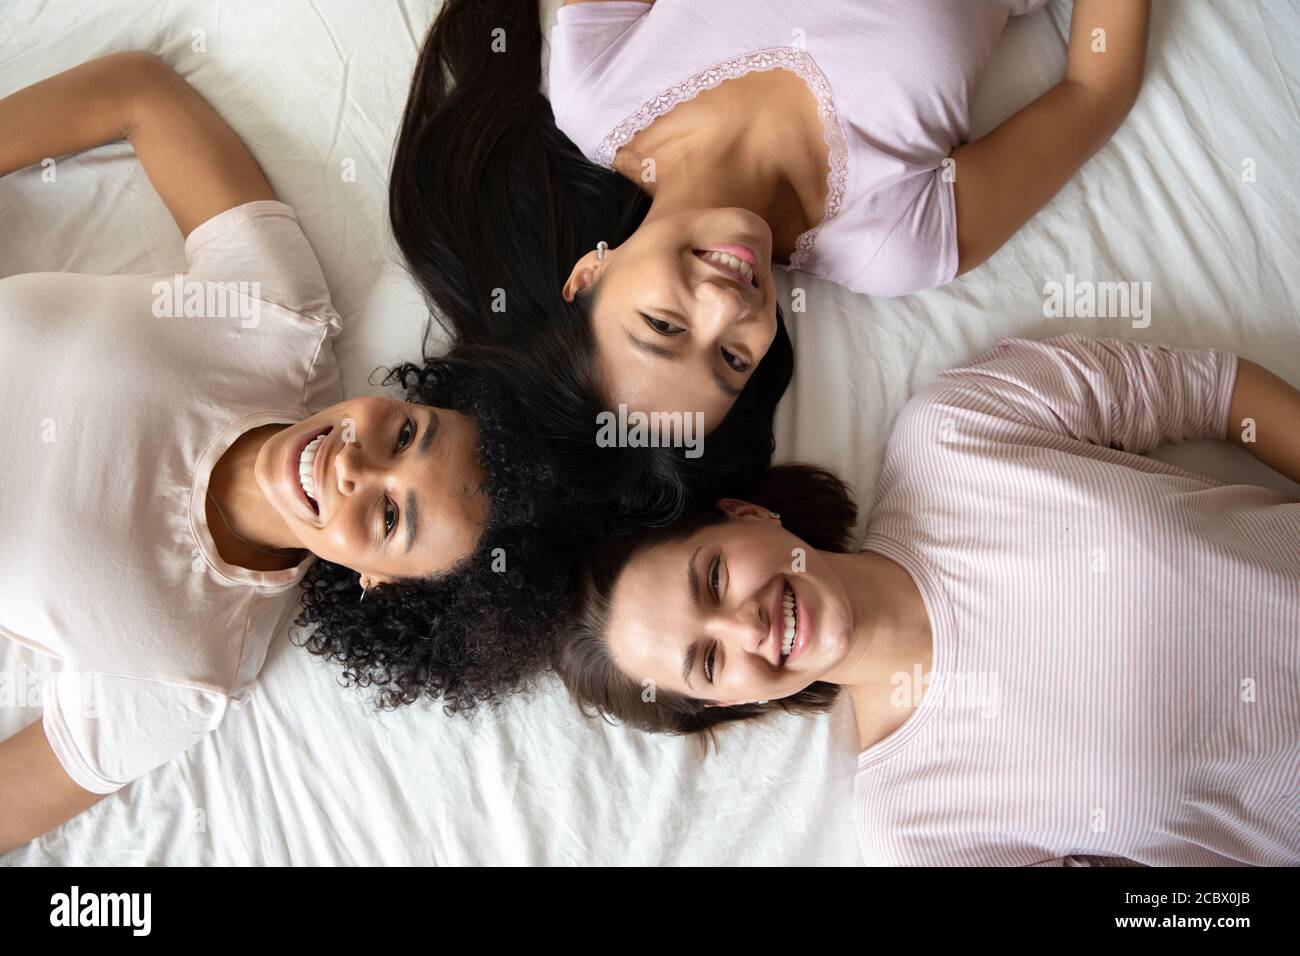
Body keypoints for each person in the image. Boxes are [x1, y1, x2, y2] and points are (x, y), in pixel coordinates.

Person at [0, 53, 572, 854]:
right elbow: (140, 94)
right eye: (406, 434)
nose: (352, 463)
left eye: (386, 515)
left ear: (377, 585)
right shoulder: (277, 318)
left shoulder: (182, 668)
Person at [556, 334, 1300, 865]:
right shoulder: (918, 833)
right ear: (729, 703)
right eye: (709, 660)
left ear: (749, 516)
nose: (743, 624)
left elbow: (1209, 390)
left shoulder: (952, 432)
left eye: (713, 578)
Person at [391, 0, 1148, 436]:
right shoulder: (892, 242)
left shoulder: (596, 91)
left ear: (589, 272)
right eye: (731, 360)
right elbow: (1094, 89)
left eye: (663, 325)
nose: (726, 307)